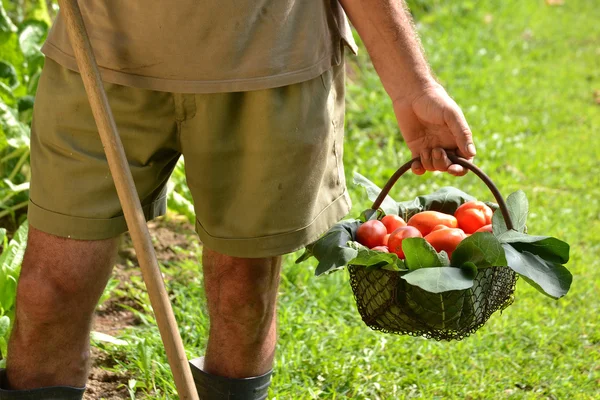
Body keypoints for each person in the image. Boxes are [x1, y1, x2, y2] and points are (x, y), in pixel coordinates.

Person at [0, 0, 476, 398]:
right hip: (100, 48)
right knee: (49, 294)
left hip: (270, 57)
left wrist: (414, 84)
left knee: (242, 295)